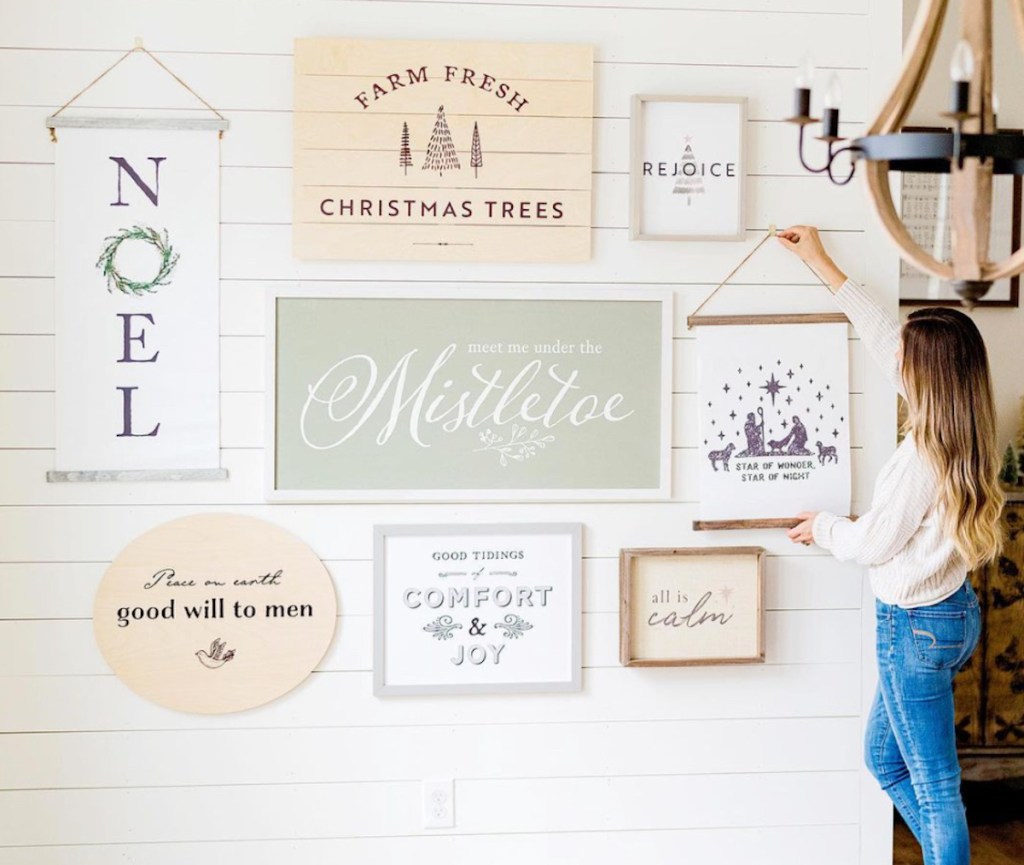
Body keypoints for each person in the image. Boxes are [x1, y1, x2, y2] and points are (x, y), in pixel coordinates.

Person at [777, 225, 1004, 865]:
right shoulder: (965, 426)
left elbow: (873, 543)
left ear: (924, 376)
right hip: (951, 616)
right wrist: (821, 261)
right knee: (886, 760)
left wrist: (823, 527)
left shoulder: (922, 458)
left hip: (914, 628)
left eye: (906, 359)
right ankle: (943, 851)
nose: (895, 361)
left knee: (935, 787)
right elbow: (883, 338)